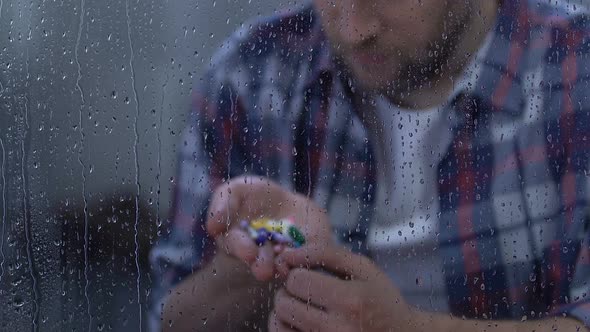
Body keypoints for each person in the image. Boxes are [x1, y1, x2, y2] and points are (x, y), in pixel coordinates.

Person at [150, 0, 590, 331]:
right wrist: (260, 256)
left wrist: (406, 329)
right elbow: (166, 320)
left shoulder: (575, 71)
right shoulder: (253, 72)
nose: (354, 29)